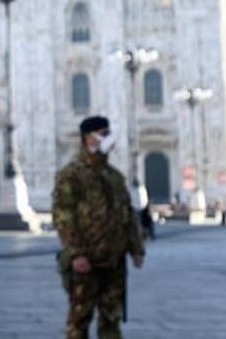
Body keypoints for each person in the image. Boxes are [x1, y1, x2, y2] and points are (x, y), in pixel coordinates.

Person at [52, 116, 145, 339]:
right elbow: (63, 216)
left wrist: (136, 248)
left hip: (114, 260)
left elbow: (127, 214)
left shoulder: (114, 176)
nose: (108, 138)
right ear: (88, 138)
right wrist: (76, 253)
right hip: (86, 260)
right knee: (79, 321)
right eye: (104, 134)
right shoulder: (71, 174)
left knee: (111, 320)